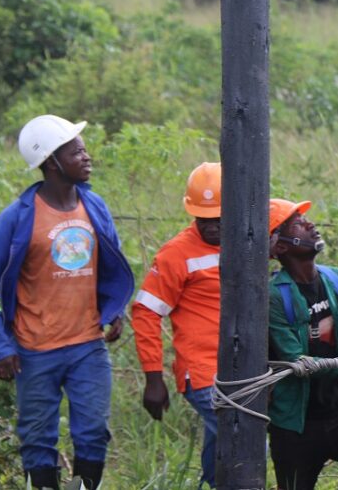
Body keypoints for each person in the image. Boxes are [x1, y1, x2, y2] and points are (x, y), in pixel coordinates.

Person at [0, 114, 134, 490]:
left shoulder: (95, 208)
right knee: (37, 440)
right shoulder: (17, 218)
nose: (86, 156)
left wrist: (115, 310)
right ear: (51, 162)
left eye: (83, 149)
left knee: (93, 433)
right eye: (76, 151)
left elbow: (111, 266)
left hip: (87, 347)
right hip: (34, 350)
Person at [131, 162, 222, 489]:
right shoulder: (176, 254)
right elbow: (145, 312)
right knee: (240, 435)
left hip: (244, 368)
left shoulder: (249, 242)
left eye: (218, 218)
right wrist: (153, 378)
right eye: (202, 217)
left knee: (222, 443)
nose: (210, 226)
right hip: (200, 373)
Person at [266, 198, 338, 490]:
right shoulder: (274, 296)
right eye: (298, 224)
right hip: (296, 424)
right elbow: (298, 362)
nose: (310, 224)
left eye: (305, 219)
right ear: (280, 246)